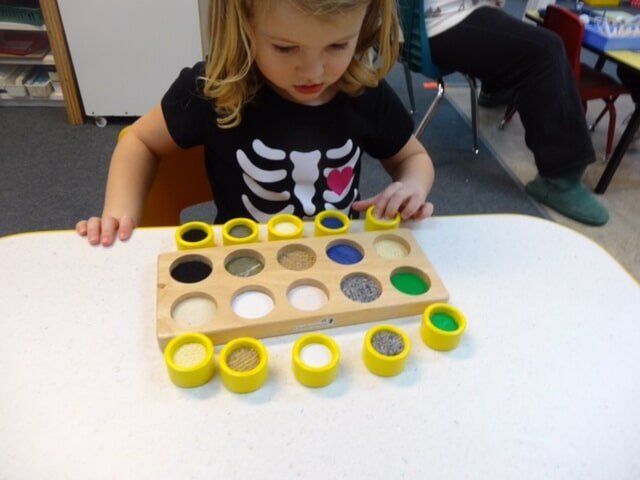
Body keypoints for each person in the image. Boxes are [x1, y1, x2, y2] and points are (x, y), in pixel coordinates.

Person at [76, 0, 435, 246]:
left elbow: (412, 159)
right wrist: (117, 216)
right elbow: (139, 140)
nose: (313, 72)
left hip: (340, 257)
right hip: (240, 262)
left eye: (338, 45)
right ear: (244, 21)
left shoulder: (363, 91)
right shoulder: (213, 90)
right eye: (285, 48)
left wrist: (411, 187)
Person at [424, 0, 609, 226]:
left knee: (510, 29)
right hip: (442, 23)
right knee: (547, 50)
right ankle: (560, 179)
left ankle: (495, 90)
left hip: (439, 17)